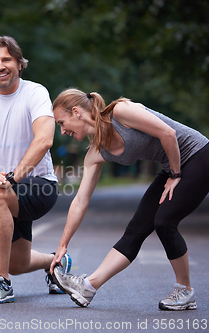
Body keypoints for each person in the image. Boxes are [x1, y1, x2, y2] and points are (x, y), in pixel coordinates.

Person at [50, 88, 209, 311]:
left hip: (197, 155)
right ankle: (88, 287)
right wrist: (63, 244)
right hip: (171, 167)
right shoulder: (96, 153)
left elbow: (168, 134)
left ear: (76, 112)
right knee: (136, 229)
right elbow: (80, 201)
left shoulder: (121, 112)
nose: (62, 131)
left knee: (164, 221)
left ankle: (185, 290)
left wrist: (175, 174)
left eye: (61, 122)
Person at [0, 36, 71, 304]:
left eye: (6, 59)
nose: (0, 66)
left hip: (39, 184)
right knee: (18, 264)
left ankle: (0, 282)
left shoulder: (35, 92)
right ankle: (58, 262)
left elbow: (44, 139)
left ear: (20, 63)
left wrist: (10, 178)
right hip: (7, 187)